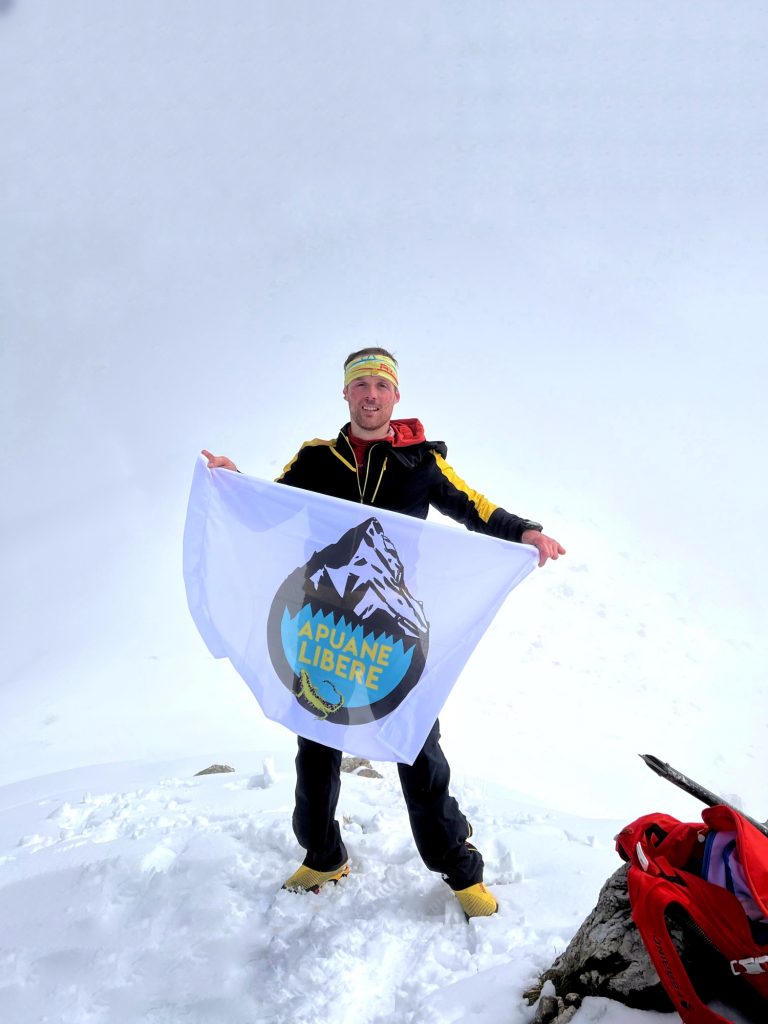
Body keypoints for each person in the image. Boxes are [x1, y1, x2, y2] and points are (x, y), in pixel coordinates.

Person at [202, 347, 565, 918]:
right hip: (319, 626)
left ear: (396, 396)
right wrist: (230, 483)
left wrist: (525, 532)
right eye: (360, 385)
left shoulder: (420, 462)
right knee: (314, 745)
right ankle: (324, 855)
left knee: (416, 747)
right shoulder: (316, 459)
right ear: (345, 395)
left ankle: (459, 870)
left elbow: (473, 506)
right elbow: (268, 508)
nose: (370, 394)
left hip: (393, 635)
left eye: (380, 385)